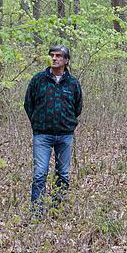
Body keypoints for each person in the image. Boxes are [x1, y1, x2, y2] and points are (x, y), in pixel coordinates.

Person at [24, 45, 83, 218]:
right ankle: (37, 213)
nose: (54, 58)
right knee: (40, 174)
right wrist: (37, 121)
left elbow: (78, 107)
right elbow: (29, 104)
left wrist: (68, 123)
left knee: (63, 174)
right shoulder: (38, 80)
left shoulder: (73, 83)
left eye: (59, 56)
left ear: (66, 60)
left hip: (65, 135)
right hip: (42, 135)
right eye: (52, 55)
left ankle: (56, 209)